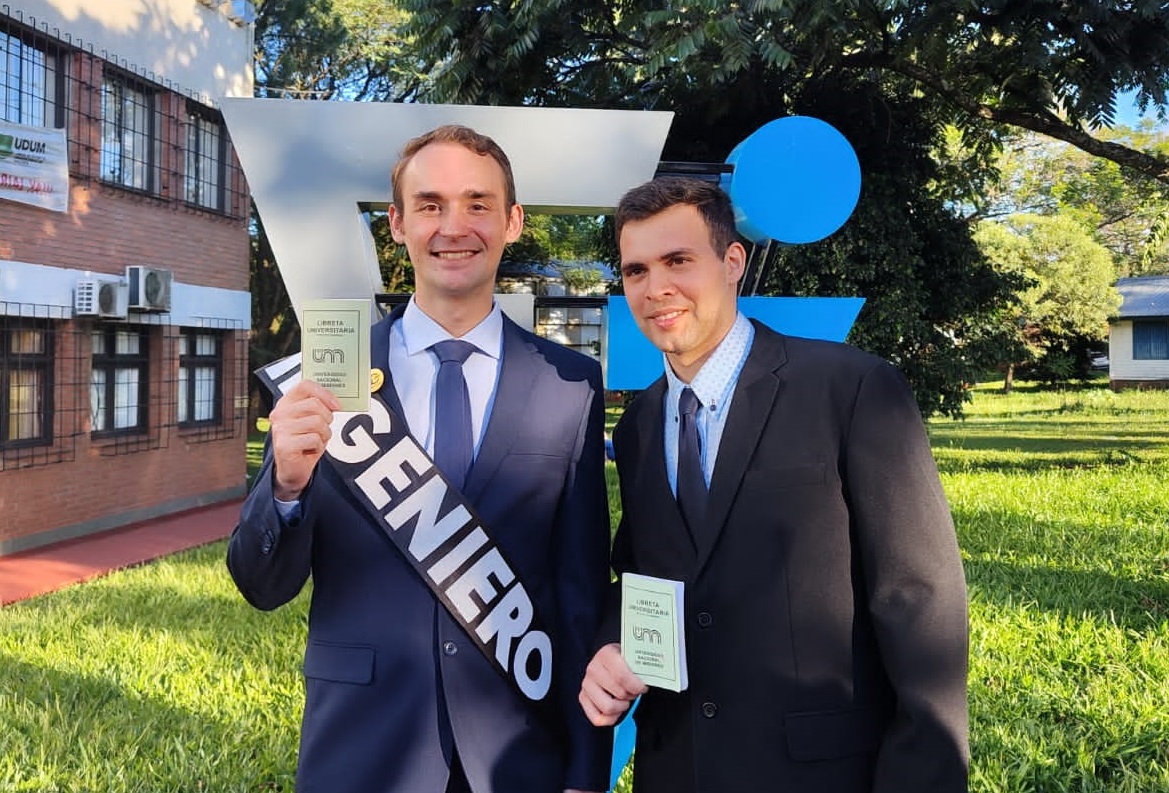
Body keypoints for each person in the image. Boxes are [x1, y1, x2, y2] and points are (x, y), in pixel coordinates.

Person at [228, 125, 612, 793]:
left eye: (478, 203)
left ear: (512, 221)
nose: (453, 226)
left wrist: (584, 771)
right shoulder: (331, 373)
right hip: (362, 745)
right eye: (430, 205)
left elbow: (578, 595)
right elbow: (262, 586)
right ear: (398, 224)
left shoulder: (568, 381)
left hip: (516, 752)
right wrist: (286, 488)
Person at [578, 177, 969, 792]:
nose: (657, 289)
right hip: (677, 765)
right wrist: (610, 644)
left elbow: (918, 597)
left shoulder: (851, 389)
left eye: (679, 260)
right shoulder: (639, 422)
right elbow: (643, 572)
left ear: (733, 261)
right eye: (636, 270)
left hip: (820, 772)